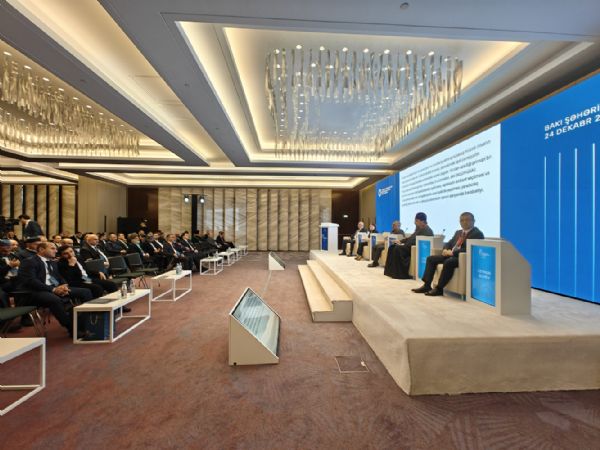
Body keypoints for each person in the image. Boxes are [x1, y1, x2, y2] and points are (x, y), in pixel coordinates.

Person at [18, 242, 93, 336]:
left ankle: (84, 322)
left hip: (55, 288)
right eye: (52, 248)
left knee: (85, 292)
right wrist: (53, 289)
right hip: (36, 291)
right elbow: (31, 281)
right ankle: (72, 329)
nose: (56, 251)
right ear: (41, 249)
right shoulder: (29, 262)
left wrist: (64, 285)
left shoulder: (52, 262)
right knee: (54, 299)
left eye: (56, 249)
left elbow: (59, 277)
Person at [412, 212, 484, 296]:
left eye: (467, 220)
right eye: (462, 220)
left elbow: (469, 249)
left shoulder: (477, 233)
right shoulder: (458, 232)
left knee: (449, 262)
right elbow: (449, 243)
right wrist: (445, 249)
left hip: (462, 258)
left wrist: (452, 252)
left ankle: (439, 289)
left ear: (473, 221)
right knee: (430, 259)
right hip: (450, 255)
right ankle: (427, 285)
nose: (464, 222)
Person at [384, 212, 433, 279]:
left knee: (397, 248)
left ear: (422, 221)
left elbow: (419, 242)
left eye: (416, 221)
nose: (415, 223)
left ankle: (399, 274)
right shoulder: (419, 229)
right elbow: (410, 238)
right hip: (407, 246)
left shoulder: (427, 230)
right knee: (392, 247)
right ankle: (390, 271)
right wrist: (400, 241)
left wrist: (405, 244)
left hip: (413, 248)